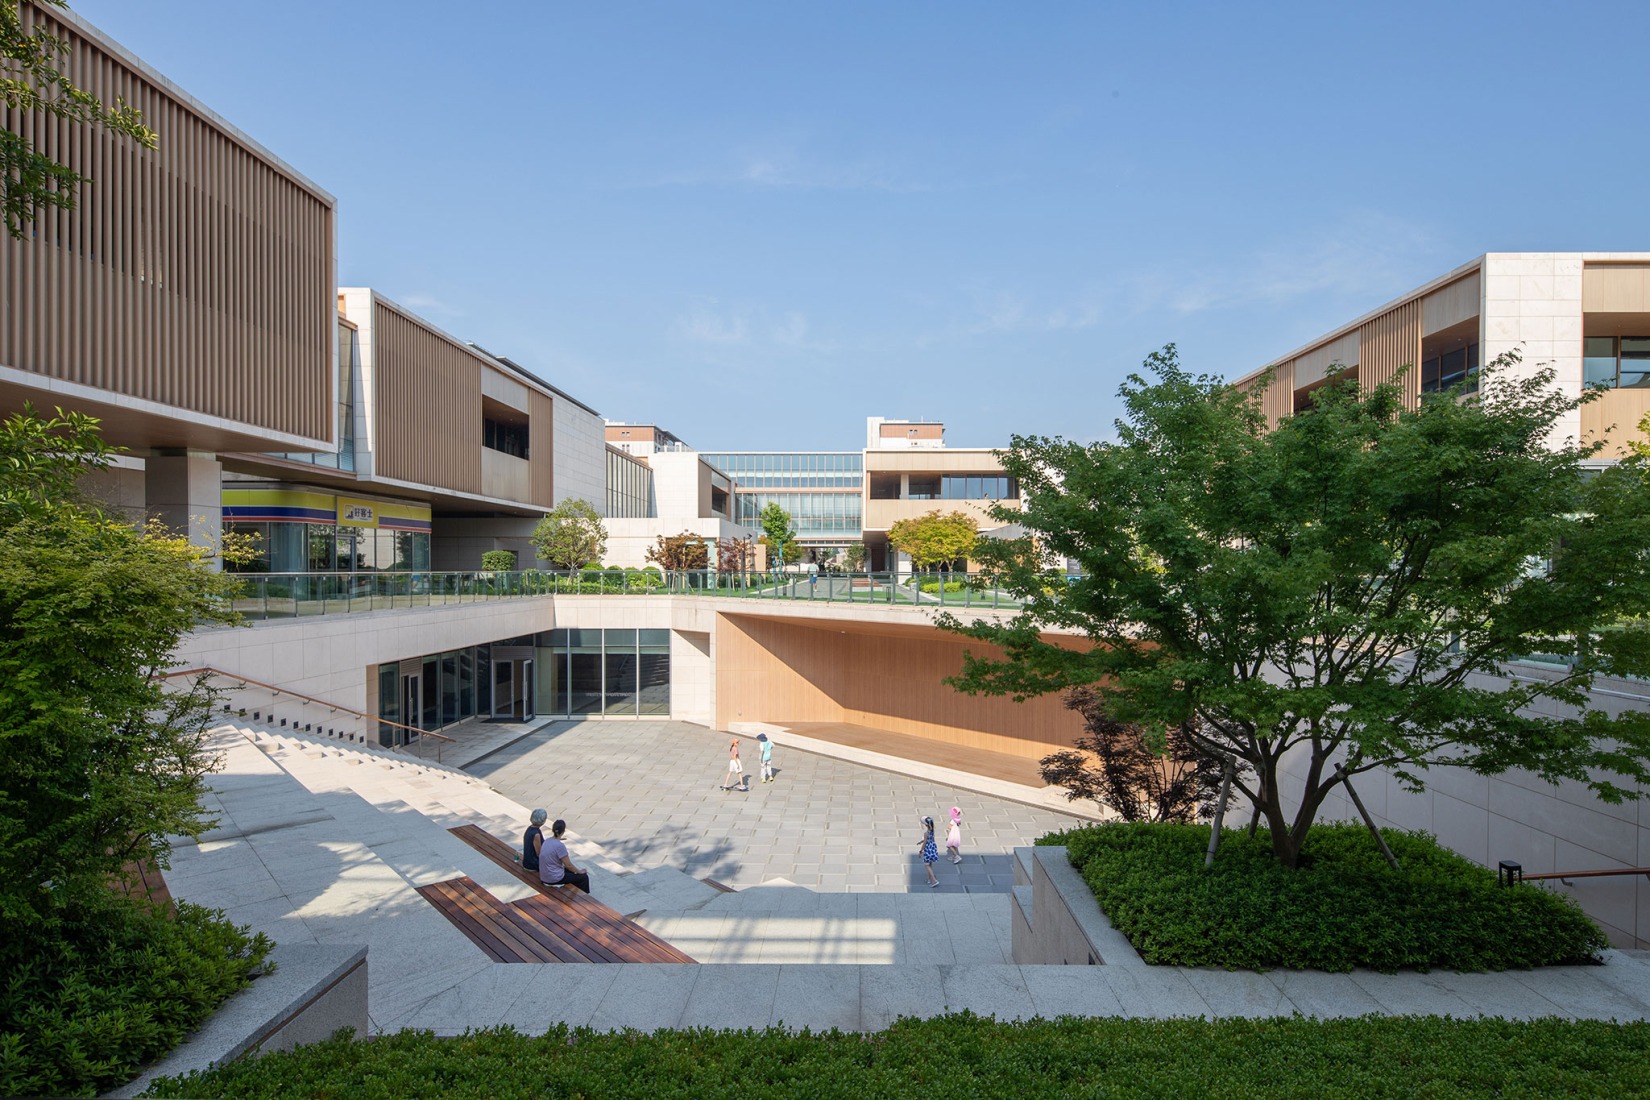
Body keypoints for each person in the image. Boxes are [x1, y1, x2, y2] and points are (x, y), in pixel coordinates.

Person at [539, 818, 591, 894]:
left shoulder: (547, 841)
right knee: (583, 877)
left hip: (544, 876)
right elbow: (568, 865)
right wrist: (580, 871)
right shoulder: (560, 846)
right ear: (563, 831)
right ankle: (584, 898)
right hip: (554, 878)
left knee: (572, 873)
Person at [522, 808, 547, 872]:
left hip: (527, 862)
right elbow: (539, 853)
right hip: (532, 864)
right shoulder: (536, 834)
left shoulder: (530, 828)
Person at [918, 815, 940, 887]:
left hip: (928, 850)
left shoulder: (926, 833)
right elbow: (929, 839)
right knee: (930, 864)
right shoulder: (932, 830)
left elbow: (925, 843)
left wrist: (921, 851)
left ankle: (934, 880)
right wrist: (922, 841)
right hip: (933, 848)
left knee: (926, 865)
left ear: (926, 825)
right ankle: (929, 879)